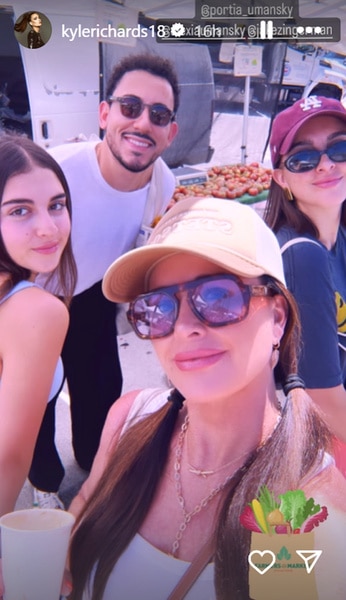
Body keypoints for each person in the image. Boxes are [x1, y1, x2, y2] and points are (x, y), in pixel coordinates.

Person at [67, 197, 346, 600]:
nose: (183, 327)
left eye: (218, 296)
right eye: (156, 307)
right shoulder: (128, 419)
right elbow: (85, 503)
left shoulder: (298, 508)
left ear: (278, 318)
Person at [34, 52, 179, 487]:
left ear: (171, 132)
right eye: (129, 107)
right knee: (37, 419)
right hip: (33, 304)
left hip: (94, 299)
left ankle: (93, 471)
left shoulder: (163, 183)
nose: (142, 124)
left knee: (100, 413)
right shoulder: (55, 170)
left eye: (158, 114)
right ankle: (42, 488)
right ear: (104, 113)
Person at [264, 95, 346, 471]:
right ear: (282, 179)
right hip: (320, 450)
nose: (327, 164)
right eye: (303, 158)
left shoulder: (336, 235)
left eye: (339, 147)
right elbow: (321, 398)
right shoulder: (301, 255)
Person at [0, 133, 76, 518]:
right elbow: (8, 459)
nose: (48, 228)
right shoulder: (38, 312)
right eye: (20, 210)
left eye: (56, 205)